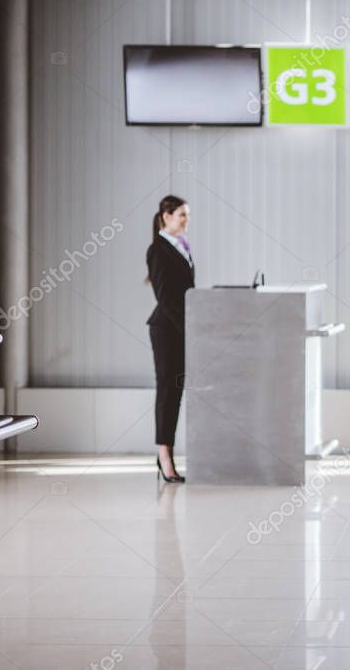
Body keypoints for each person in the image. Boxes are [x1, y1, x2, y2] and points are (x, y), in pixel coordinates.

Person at [146, 195, 194, 483]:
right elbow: (165, 298)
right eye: (181, 215)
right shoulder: (158, 249)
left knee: (175, 392)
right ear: (166, 216)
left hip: (181, 328)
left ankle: (167, 453)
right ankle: (164, 456)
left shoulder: (181, 246)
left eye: (187, 215)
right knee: (167, 391)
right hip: (167, 329)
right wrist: (189, 329)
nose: (186, 220)